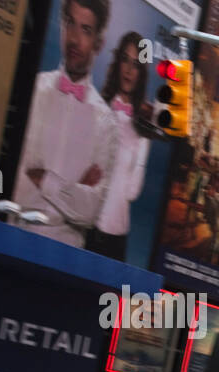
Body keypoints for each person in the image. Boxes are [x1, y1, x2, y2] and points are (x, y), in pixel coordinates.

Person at [13, 0, 119, 248]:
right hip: (10, 235)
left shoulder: (107, 124)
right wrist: (73, 192)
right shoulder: (32, 90)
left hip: (64, 255)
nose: (74, 38)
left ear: (99, 44)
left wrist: (44, 179)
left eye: (86, 29)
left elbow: (90, 212)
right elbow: (11, 182)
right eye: (70, 23)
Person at [86, 32, 149, 262]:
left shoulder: (142, 127)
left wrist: (143, 141)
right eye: (125, 60)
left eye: (136, 64)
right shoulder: (98, 108)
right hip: (86, 227)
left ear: (141, 73)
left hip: (116, 238)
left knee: (107, 299)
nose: (129, 70)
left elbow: (132, 192)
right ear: (117, 62)